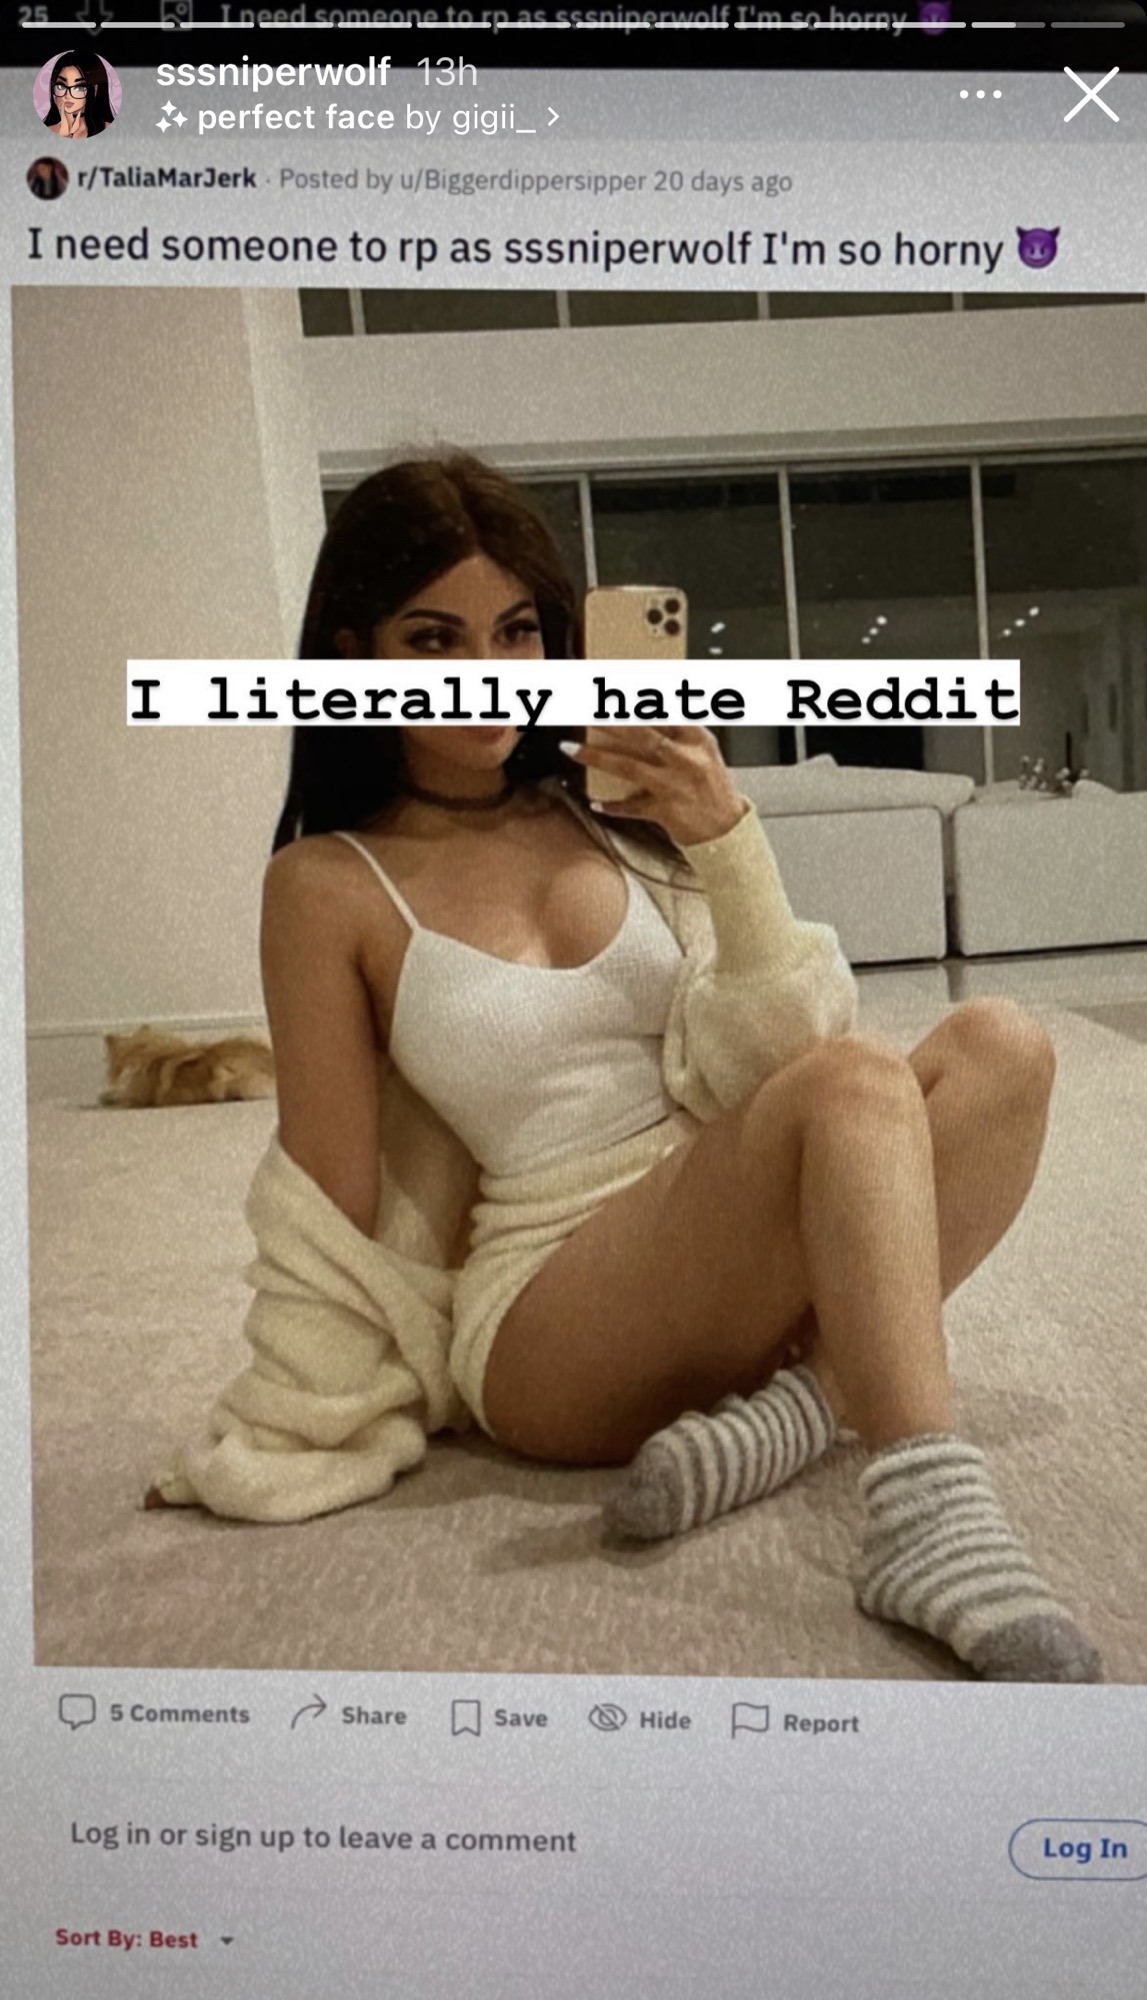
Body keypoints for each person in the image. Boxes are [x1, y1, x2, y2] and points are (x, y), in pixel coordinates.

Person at [151, 453, 1100, 1685]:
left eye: (517, 632)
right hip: (555, 1325)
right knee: (853, 1084)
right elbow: (330, 1198)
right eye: (433, 639)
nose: (487, 675)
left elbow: (781, 1065)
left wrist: (726, 842)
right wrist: (299, 1404)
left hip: (727, 1240)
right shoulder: (326, 882)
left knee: (1002, 1046)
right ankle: (926, 1511)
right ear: (353, 655)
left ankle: (796, 1411)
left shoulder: (611, 811)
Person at [41, 52, 115, 141]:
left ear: (94, 90)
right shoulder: (44, 131)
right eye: (61, 86)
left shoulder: (109, 129)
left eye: (79, 87)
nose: (67, 95)